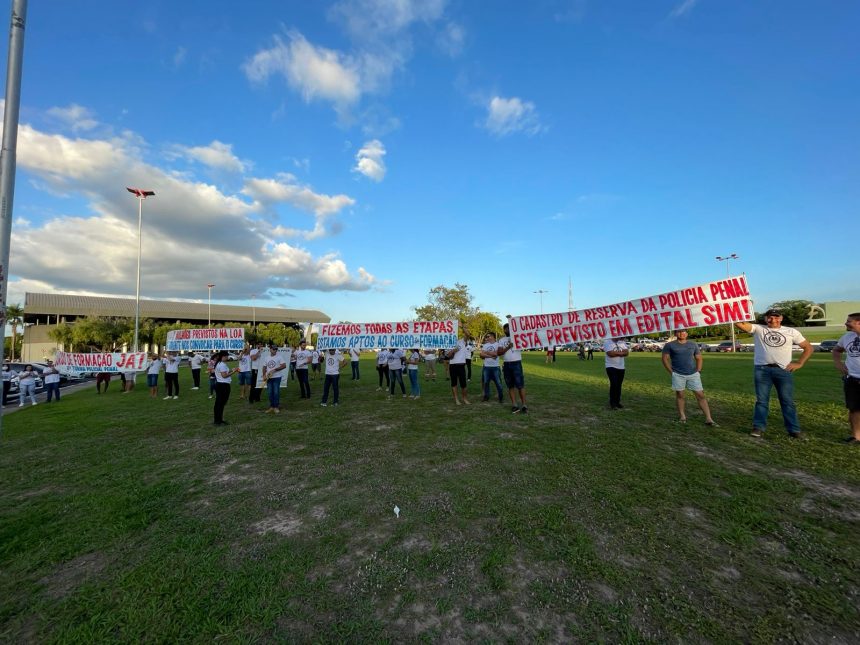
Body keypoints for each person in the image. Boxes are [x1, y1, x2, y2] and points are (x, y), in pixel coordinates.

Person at [735, 309, 814, 438]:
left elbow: (808, 347)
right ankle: (758, 427)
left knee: (787, 401)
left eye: (776, 317)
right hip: (762, 370)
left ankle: (793, 429)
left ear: (781, 318)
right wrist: (735, 311)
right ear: (766, 319)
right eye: (770, 317)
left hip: (783, 370)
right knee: (761, 401)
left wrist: (799, 363)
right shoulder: (759, 329)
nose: (773, 320)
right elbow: (740, 324)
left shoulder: (791, 331)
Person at [661, 329, 716, 426]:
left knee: (700, 395)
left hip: (693, 374)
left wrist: (698, 371)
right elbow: (665, 359)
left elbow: (699, 358)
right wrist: (671, 372)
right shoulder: (670, 345)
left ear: (687, 333)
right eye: (679, 332)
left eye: (684, 331)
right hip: (678, 374)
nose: (682, 333)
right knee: (680, 395)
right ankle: (682, 416)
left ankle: (709, 418)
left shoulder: (693, 344)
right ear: (675, 333)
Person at [833, 312, 860, 444]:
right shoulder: (847, 337)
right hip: (852, 378)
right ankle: (856, 436)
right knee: (854, 409)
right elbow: (837, 350)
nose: (846, 323)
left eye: (849, 321)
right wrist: (838, 363)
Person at [498, 323, 528, 413]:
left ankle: (524, 405)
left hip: (516, 363)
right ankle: (514, 405)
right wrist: (508, 347)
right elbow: (499, 352)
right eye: (506, 329)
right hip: (507, 364)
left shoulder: (518, 337)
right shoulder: (502, 340)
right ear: (504, 330)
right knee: (510, 385)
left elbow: (526, 343)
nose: (507, 330)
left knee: (520, 385)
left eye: (509, 328)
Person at [213, 350, 239, 426]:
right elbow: (224, 376)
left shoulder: (220, 363)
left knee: (219, 404)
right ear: (223, 357)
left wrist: (232, 369)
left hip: (221, 385)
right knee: (220, 404)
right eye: (226, 356)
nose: (227, 357)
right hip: (223, 386)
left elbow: (225, 372)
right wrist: (234, 372)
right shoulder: (222, 365)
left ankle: (219, 420)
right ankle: (218, 421)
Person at [603, 337, 629, 410]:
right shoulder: (607, 342)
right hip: (611, 366)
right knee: (614, 384)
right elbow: (610, 354)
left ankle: (617, 402)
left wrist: (616, 353)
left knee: (619, 385)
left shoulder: (622, 343)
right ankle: (612, 403)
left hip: (621, 367)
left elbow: (627, 353)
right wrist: (621, 353)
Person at [262, 344, 287, 414]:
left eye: (276, 349)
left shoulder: (279, 357)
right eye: (273, 349)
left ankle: (276, 407)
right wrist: (264, 375)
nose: (275, 350)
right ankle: (271, 407)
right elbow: (264, 367)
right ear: (270, 349)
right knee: (270, 393)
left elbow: (284, 365)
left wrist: (275, 369)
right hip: (269, 377)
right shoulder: (266, 358)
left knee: (276, 392)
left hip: (277, 377)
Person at [480, 332, 504, 403]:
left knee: (498, 383)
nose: (487, 338)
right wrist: (490, 355)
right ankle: (486, 397)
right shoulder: (485, 345)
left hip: (495, 367)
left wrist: (486, 352)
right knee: (486, 382)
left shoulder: (498, 344)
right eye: (487, 336)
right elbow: (481, 354)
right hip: (486, 367)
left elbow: (496, 354)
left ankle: (500, 397)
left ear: (493, 337)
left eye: (488, 336)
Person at [446, 339, 470, 405]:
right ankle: (456, 399)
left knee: (463, 384)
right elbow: (448, 356)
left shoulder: (462, 341)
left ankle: (465, 399)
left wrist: (463, 327)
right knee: (454, 383)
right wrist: (453, 351)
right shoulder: (448, 343)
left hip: (461, 365)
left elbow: (468, 334)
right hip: (453, 365)